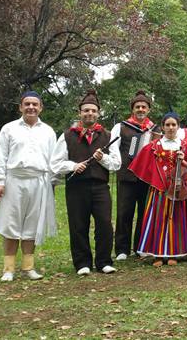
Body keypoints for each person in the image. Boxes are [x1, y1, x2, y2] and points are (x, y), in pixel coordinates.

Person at [0, 91, 58, 282]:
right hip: (14, 180)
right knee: (11, 223)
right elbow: (0, 156)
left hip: (39, 181)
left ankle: (28, 267)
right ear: (20, 107)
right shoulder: (9, 129)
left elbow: (54, 159)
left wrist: (52, 183)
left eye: (35, 104)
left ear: (40, 108)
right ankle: (8, 269)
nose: (31, 107)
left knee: (32, 224)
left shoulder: (48, 131)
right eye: (27, 104)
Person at [50, 89, 120, 276]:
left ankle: (104, 261)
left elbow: (117, 163)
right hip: (76, 188)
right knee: (78, 224)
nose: (90, 113)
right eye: (86, 110)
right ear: (80, 113)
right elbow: (55, 164)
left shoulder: (107, 135)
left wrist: (102, 158)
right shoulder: (67, 136)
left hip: (100, 187)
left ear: (98, 113)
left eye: (93, 110)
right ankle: (82, 263)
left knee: (104, 224)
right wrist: (73, 166)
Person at [128, 112, 187, 267]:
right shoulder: (154, 146)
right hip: (159, 189)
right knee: (158, 220)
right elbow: (141, 165)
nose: (171, 128)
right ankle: (158, 254)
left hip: (178, 188)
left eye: (174, 125)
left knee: (177, 219)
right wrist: (154, 178)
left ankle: (174, 252)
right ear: (162, 127)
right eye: (168, 125)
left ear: (178, 127)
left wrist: (185, 162)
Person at [109, 90, 158, 261]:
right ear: (132, 109)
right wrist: (117, 165)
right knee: (124, 212)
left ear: (148, 109)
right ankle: (122, 249)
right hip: (127, 176)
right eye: (137, 107)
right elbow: (113, 148)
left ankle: (141, 246)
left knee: (144, 212)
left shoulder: (155, 129)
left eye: (144, 107)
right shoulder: (121, 127)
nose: (141, 109)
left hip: (147, 178)